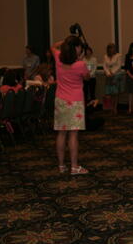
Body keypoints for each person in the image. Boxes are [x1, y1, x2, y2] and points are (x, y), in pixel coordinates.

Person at [51, 36, 90, 175]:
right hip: (75, 102)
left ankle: (61, 166)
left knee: (61, 133)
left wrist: (65, 41)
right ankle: (74, 167)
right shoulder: (80, 65)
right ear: (77, 48)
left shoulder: (58, 59)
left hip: (60, 100)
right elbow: (87, 77)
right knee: (73, 135)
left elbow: (53, 46)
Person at [102, 43, 123, 115]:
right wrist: (108, 73)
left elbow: (119, 65)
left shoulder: (118, 55)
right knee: (109, 93)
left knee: (115, 93)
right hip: (108, 75)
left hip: (116, 75)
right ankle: (110, 108)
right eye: (110, 48)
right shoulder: (105, 56)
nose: (112, 49)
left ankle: (115, 108)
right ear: (108, 49)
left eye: (113, 48)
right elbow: (105, 66)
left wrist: (112, 72)